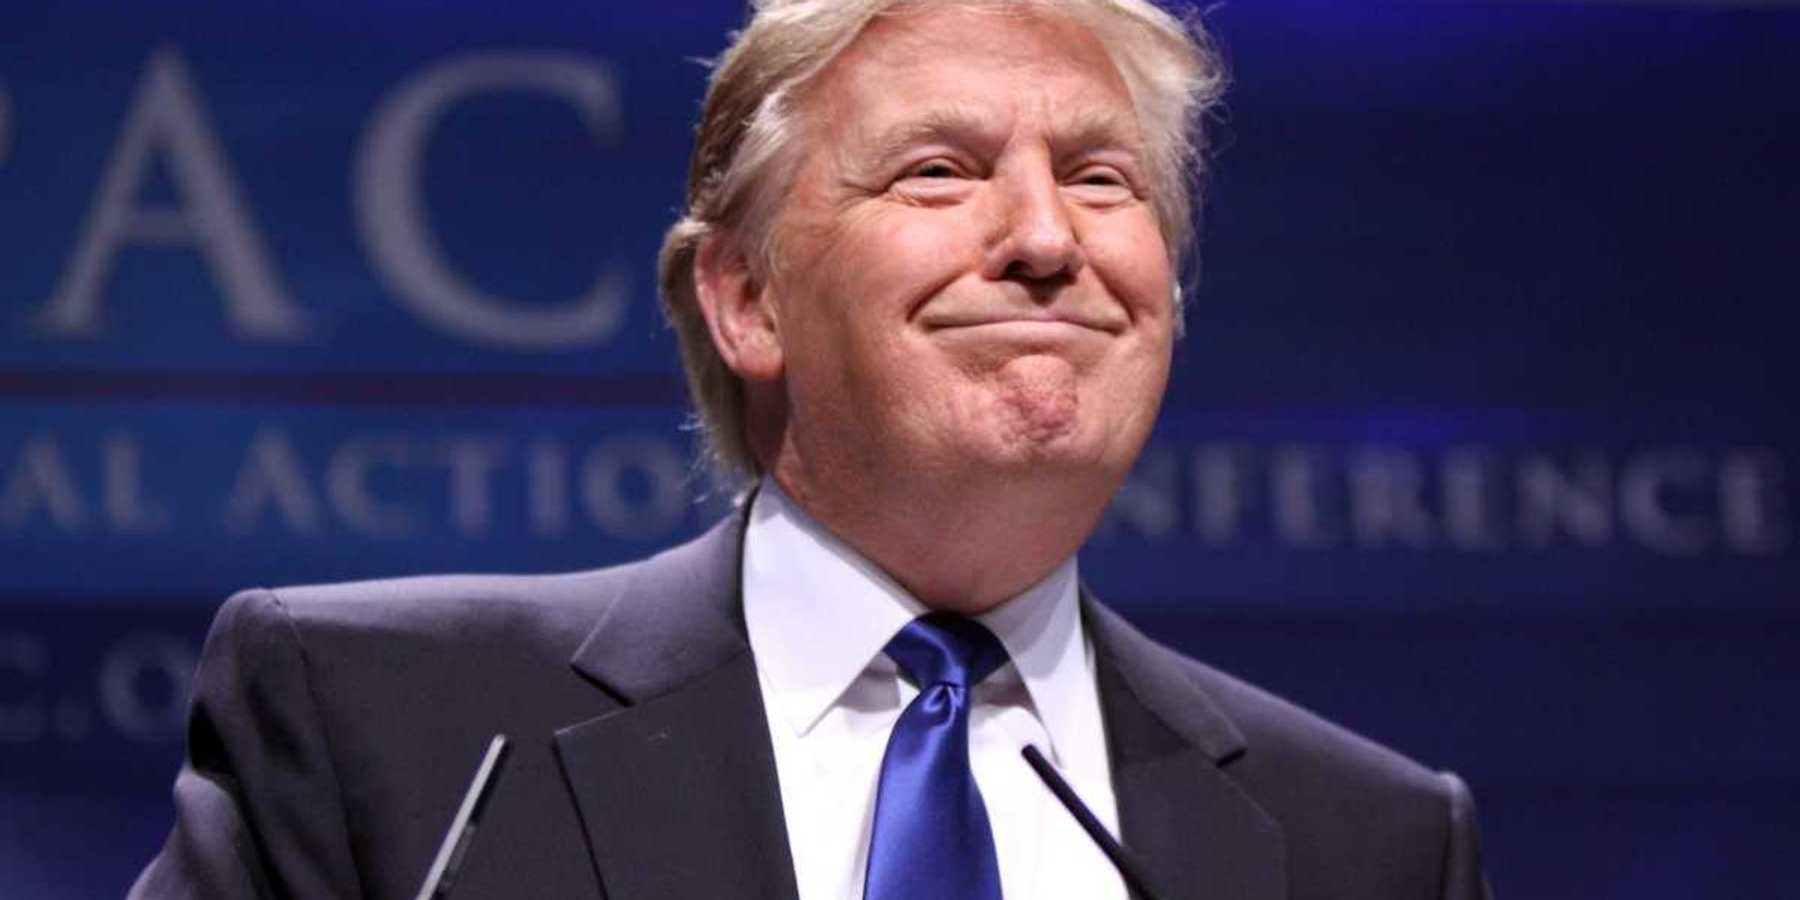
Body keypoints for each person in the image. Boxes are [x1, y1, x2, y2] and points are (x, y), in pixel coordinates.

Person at [132, 1, 1492, 898]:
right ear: (747, 299)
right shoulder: (393, 737)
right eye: (938, 172)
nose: (1044, 237)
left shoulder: (1365, 846)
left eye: (1102, 179)